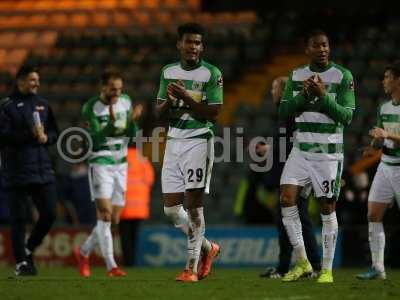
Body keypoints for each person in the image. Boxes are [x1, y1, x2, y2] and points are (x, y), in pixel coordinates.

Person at [278, 29, 355, 283]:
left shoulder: (343, 76)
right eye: (317, 46)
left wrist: (322, 97)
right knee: (286, 198)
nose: (322, 49)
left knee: (326, 207)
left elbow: (346, 116)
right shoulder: (296, 75)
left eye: (326, 45)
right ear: (307, 49)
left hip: (328, 155)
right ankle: (302, 262)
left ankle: (327, 269)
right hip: (301, 151)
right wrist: (304, 95)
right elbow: (284, 111)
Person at [155, 23, 222, 282]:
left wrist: (186, 96)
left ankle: (190, 268)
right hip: (173, 141)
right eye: (189, 42)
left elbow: (214, 113)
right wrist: (170, 100)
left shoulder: (212, 73)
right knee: (171, 210)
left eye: (197, 43)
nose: (193, 46)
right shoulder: (168, 72)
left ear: (201, 47)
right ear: (179, 45)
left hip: (198, 140)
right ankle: (208, 248)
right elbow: (157, 112)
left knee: (194, 207)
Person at [73, 71, 140, 277]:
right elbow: (95, 140)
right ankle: (112, 266)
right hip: (100, 161)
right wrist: (111, 123)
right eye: (113, 89)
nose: (117, 93)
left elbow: (132, 134)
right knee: (104, 214)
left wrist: (132, 121)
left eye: (120, 89)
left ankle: (83, 251)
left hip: (121, 163)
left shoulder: (126, 101)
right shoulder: (91, 107)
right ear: (103, 87)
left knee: (114, 219)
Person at [0, 65, 59, 276]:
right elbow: (3, 137)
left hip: (42, 169)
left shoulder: (43, 104)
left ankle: (28, 248)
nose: (37, 84)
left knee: (50, 213)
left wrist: (47, 138)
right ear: (21, 81)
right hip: (16, 171)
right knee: (19, 219)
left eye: (38, 80)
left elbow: (54, 133)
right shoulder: (6, 106)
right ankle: (21, 263)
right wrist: (29, 134)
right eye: (33, 80)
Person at [260, 77, 321, 278]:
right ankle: (285, 267)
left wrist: (270, 148)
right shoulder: (283, 112)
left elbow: (298, 141)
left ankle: (315, 266)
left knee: (300, 219)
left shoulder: (293, 112)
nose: (272, 92)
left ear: (284, 90)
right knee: (286, 221)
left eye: (274, 88)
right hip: (286, 174)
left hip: (297, 173)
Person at [356, 61, 400, 280]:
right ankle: (378, 267)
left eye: (387, 77)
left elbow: (387, 135)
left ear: (398, 80)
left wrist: (386, 136)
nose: (383, 81)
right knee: (373, 214)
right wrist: (372, 146)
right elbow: (381, 138)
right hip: (385, 165)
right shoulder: (384, 107)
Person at [119, 146, 154, 266]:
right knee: (134, 236)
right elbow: (150, 180)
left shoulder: (119, 158)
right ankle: (133, 261)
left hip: (123, 206)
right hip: (139, 206)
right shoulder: (142, 159)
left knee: (124, 236)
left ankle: (127, 262)